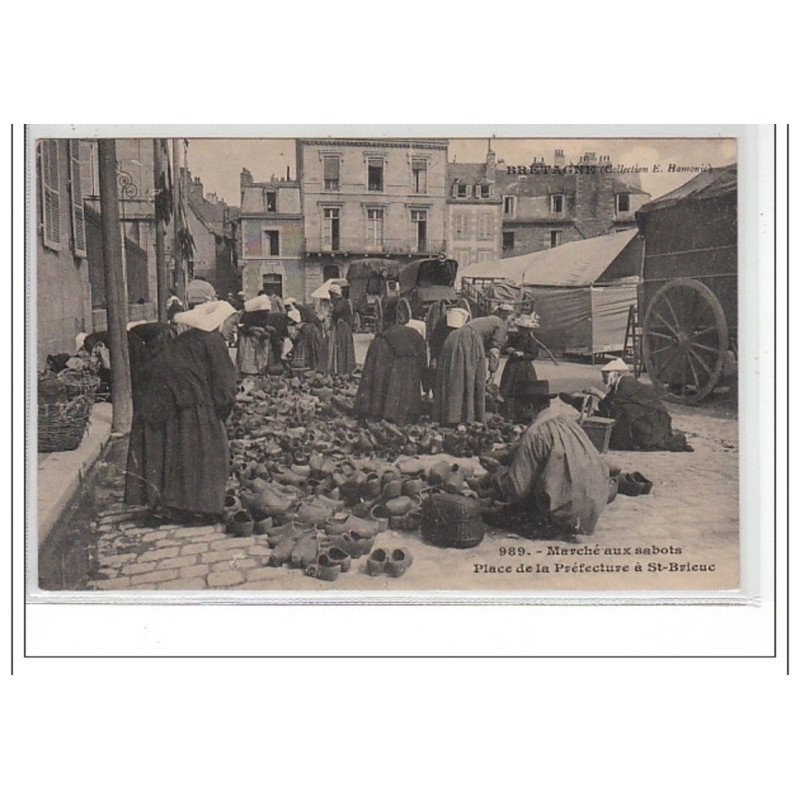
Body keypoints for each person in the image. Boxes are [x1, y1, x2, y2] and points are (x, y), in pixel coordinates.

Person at [124, 300, 239, 522]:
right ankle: (200, 506)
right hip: (173, 396)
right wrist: (223, 411)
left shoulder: (193, 337)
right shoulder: (212, 340)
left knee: (173, 450)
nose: (234, 329)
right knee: (208, 449)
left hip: (162, 394)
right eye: (232, 323)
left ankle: (172, 503)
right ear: (220, 321)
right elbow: (225, 383)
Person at [481, 379, 611, 538]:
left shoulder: (535, 433)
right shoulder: (566, 421)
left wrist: (496, 472)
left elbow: (516, 488)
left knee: (496, 513)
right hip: (592, 509)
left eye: (518, 406)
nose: (514, 410)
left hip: (564, 515)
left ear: (530, 406)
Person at [433, 305, 515, 426]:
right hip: (469, 340)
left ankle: (451, 415)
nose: (512, 323)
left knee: (456, 376)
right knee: (472, 376)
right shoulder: (500, 323)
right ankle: (467, 416)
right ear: (504, 316)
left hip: (453, 338)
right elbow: (494, 350)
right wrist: (493, 372)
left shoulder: (486, 319)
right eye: (512, 319)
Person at [594, 358, 693, 452]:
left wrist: (596, 393)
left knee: (625, 412)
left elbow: (614, 403)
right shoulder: (619, 384)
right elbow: (610, 401)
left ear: (615, 375)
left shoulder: (626, 382)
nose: (603, 380)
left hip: (650, 421)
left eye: (605, 376)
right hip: (648, 419)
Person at [354, 313, 429, 424]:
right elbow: (423, 367)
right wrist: (427, 389)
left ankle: (372, 410)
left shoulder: (398, 331)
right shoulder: (417, 338)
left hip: (379, 343)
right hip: (387, 346)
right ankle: (391, 413)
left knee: (379, 379)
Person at [499, 313, 541, 421]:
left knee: (524, 390)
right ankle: (508, 413)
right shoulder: (513, 337)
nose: (522, 331)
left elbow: (533, 355)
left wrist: (523, 354)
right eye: (521, 328)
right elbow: (504, 348)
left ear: (529, 330)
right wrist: (508, 350)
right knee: (508, 388)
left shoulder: (531, 341)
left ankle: (523, 414)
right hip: (512, 366)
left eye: (525, 329)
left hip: (524, 367)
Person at [236, 294, 273, 376]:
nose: (267, 313)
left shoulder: (263, 318)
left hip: (259, 342)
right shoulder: (248, 317)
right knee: (249, 359)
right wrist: (255, 330)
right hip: (249, 342)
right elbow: (244, 327)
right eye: (265, 311)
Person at [326, 282, 356, 374]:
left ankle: (341, 369)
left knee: (341, 348)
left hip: (342, 328)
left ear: (335, 294)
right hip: (339, 327)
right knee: (339, 348)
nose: (330, 297)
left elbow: (338, 312)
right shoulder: (339, 302)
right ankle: (339, 369)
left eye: (331, 295)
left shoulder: (342, 302)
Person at [287, 307, 327, 372]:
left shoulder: (301, 327)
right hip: (313, 333)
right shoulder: (307, 325)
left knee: (312, 350)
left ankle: (314, 367)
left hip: (310, 335)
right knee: (315, 351)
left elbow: (296, 339)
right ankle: (315, 367)